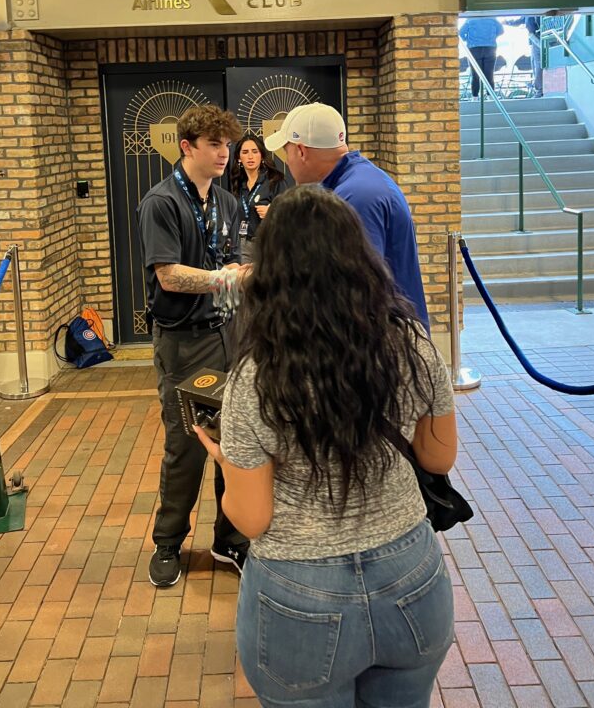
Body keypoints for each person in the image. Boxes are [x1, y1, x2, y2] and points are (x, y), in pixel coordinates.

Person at [195, 185, 457, 708]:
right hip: (411, 574)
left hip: (299, 590)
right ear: (359, 257)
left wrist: (225, 460)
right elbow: (437, 457)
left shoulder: (256, 375)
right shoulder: (411, 341)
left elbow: (252, 519)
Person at [137, 104, 249, 587]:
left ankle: (232, 538)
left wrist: (239, 275)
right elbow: (169, 276)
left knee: (237, 441)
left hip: (231, 335)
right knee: (188, 446)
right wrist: (223, 279)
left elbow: (239, 261)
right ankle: (168, 543)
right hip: (185, 342)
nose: (225, 153)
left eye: (227, 145)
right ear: (187, 147)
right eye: (214, 145)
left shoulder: (226, 201)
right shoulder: (161, 203)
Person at [265, 103, 429, 331]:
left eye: (287, 151)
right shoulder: (357, 181)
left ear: (301, 151)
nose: (288, 161)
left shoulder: (356, 197)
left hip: (384, 347)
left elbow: (354, 292)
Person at [229, 134, 289, 263]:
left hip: (268, 244)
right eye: (245, 152)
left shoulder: (275, 181)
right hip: (242, 244)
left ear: (261, 155)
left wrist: (271, 212)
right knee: (244, 281)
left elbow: (289, 213)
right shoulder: (237, 183)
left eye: (254, 152)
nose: (250, 156)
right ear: (239, 158)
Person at [458, 16, 504, 96]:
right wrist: (493, 37)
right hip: (490, 47)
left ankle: (475, 97)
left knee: (475, 75)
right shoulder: (492, 18)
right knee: (489, 75)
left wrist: (466, 39)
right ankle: (490, 96)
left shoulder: (470, 19)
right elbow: (501, 31)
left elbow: (461, 32)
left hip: (474, 48)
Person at [523, 16, 543, 97]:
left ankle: (539, 89)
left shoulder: (530, 14)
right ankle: (539, 88)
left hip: (537, 37)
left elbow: (530, 29)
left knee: (537, 64)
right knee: (537, 64)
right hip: (540, 37)